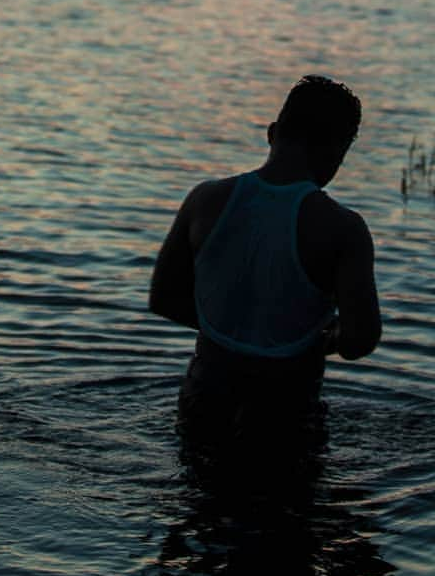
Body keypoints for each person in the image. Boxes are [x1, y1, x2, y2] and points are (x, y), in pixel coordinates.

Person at [149, 74, 381, 450]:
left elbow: (163, 298)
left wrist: (232, 326)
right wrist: (318, 339)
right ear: (338, 150)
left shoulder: (205, 201)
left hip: (204, 398)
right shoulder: (343, 228)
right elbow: (360, 339)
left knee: (200, 502)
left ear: (272, 133)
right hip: (285, 412)